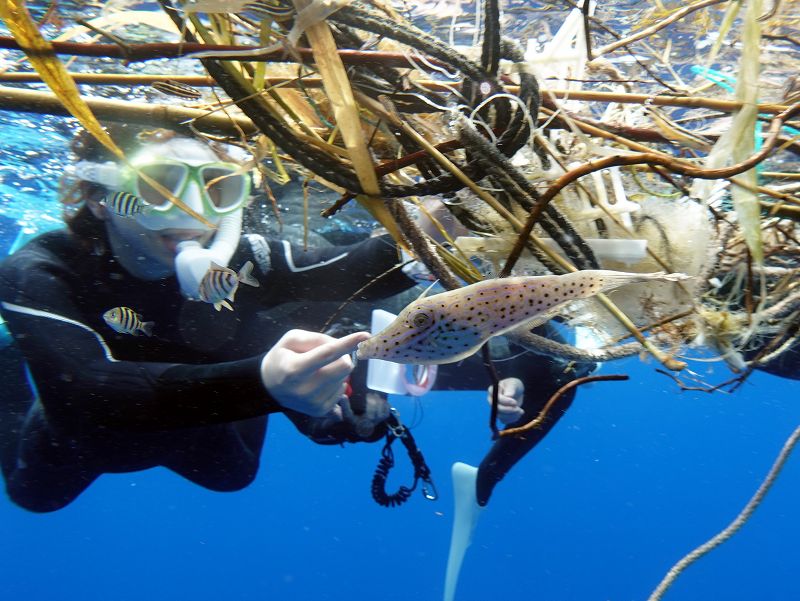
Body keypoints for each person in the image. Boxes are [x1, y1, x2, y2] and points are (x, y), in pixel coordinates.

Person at [0, 123, 565, 513]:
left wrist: (465, 204)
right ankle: (8, 354)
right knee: (34, 494)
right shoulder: (44, 267)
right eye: (160, 188)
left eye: (217, 189)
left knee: (233, 475)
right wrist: (264, 386)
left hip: (207, 432)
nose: (193, 214)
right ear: (101, 196)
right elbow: (89, 392)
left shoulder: (246, 257)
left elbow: (356, 267)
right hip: (83, 438)